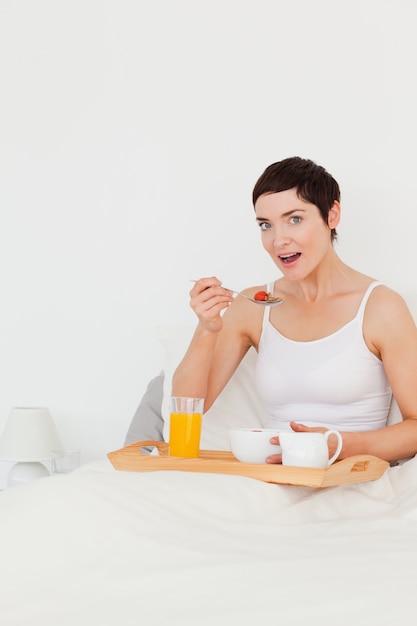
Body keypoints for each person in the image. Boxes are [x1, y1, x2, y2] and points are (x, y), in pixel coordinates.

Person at [172, 156, 417, 463]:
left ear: (332, 215)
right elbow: (188, 405)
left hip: (350, 479)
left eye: (295, 219)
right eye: (266, 225)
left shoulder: (381, 307)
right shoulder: (255, 305)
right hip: (273, 478)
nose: (279, 240)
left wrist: (336, 445)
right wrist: (206, 329)